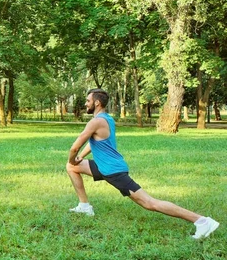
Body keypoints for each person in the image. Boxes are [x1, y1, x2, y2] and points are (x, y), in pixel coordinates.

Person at [66, 88, 219, 239]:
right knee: (71, 167)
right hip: (104, 166)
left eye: (88, 101)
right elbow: (95, 143)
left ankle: (202, 221)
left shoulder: (96, 122)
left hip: (113, 171)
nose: (86, 104)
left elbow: (74, 146)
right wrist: (79, 158)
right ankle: (85, 207)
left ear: (97, 103)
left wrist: (73, 157)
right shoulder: (107, 118)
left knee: (149, 203)